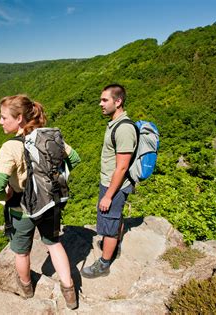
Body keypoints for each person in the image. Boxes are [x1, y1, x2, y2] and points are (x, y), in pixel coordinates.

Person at [0, 94, 81, 309]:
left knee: (22, 251)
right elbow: (74, 158)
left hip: (22, 208)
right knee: (54, 243)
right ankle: (70, 295)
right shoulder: (47, 136)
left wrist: (6, 197)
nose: (0, 122)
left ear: (19, 118)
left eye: (3, 117)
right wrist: (53, 179)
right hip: (49, 202)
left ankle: (27, 290)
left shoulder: (10, 147)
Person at [81, 84, 137, 279]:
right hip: (112, 182)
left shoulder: (124, 129)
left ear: (118, 101)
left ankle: (104, 264)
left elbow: (121, 167)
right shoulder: (116, 123)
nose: (100, 104)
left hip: (114, 185)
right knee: (115, 218)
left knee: (109, 224)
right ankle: (113, 247)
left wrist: (108, 195)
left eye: (105, 100)